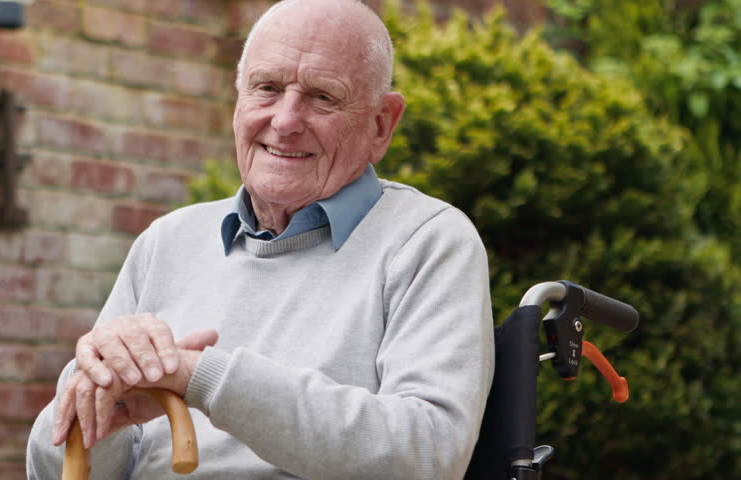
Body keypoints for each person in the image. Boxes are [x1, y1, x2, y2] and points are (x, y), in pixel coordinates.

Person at [26, 0, 494, 478]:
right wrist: (95, 399)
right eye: (267, 88)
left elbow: (428, 453)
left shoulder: (427, 241)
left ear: (381, 124)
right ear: (239, 101)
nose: (286, 121)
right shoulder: (167, 241)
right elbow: (56, 470)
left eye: (322, 97)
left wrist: (202, 378)